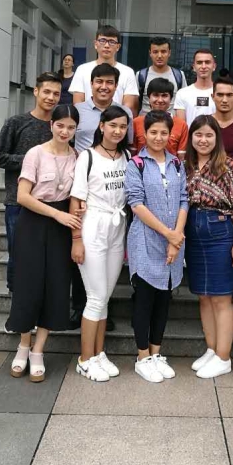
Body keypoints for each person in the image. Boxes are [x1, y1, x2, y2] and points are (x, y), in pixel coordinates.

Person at [6, 105, 81, 382]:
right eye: (60, 125)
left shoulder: (78, 157)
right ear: (51, 125)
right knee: (29, 283)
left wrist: (72, 214)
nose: (65, 131)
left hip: (63, 226)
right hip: (34, 221)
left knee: (56, 285)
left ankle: (39, 350)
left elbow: (77, 195)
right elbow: (23, 196)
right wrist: (57, 214)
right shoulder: (35, 153)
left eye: (71, 127)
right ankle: (23, 345)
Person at [184, 115, 233, 379]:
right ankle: (212, 349)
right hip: (193, 230)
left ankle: (224, 357)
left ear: (217, 138)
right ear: (191, 137)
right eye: (198, 135)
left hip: (221, 230)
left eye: (209, 135)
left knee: (222, 297)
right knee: (203, 295)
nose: (203, 140)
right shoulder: (186, 165)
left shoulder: (228, 166)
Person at [125, 111, 189, 383]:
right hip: (145, 240)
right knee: (145, 299)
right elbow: (136, 203)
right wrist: (168, 235)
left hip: (174, 241)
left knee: (164, 299)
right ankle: (142, 357)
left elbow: (184, 199)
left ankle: (156, 353)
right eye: (153, 132)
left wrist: (177, 236)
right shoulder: (136, 164)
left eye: (164, 132)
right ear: (144, 134)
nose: (159, 137)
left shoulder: (177, 164)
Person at [70, 105, 131, 382]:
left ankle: (98, 353)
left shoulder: (127, 156)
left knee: (104, 296)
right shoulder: (87, 157)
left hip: (117, 229)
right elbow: (76, 200)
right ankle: (85, 359)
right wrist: (76, 240)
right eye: (113, 125)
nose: (118, 131)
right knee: (94, 297)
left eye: (123, 126)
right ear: (101, 126)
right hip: (93, 226)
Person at [0, 72, 61, 291]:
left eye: (56, 94)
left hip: (50, 203)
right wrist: (32, 160)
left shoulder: (59, 126)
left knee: (44, 258)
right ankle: (16, 298)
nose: (51, 97)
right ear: (36, 91)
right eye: (47, 92)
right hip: (18, 201)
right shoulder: (16, 123)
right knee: (18, 254)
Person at [69, 25, 139, 115]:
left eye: (112, 42)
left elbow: (128, 106)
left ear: (118, 47)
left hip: (116, 120)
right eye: (102, 41)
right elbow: (78, 104)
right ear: (95, 44)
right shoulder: (82, 69)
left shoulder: (128, 72)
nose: (106, 45)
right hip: (87, 120)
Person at [74, 63, 134, 153]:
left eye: (109, 82)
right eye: (99, 81)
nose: (104, 87)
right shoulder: (77, 110)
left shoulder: (125, 112)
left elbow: (129, 144)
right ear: (91, 84)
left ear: (116, 86)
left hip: (115, 161)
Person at [132, 78, 188, 158]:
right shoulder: (136, 122)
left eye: (164, 96)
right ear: (149, 98)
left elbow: (181, 157)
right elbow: (132, 153)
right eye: (156, 95)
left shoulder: (181, 125)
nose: (160, 100)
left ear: (171, 99)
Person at [137, 37, 187, 115]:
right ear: (150, 53)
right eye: (155, 52)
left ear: (169, 53)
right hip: (146, 120)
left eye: (163, 52)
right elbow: (135, 103)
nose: (159, 56)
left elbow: (184, 102)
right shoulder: (141, 75)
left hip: (171, 120)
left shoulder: (179, 75)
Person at [174, 49, 217, 126]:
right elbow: (181, 127)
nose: (203, 66)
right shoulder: (182, 93)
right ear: (194, 67)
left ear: (214, 66)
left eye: (207, 62)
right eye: (199, 63)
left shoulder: (221, 93)